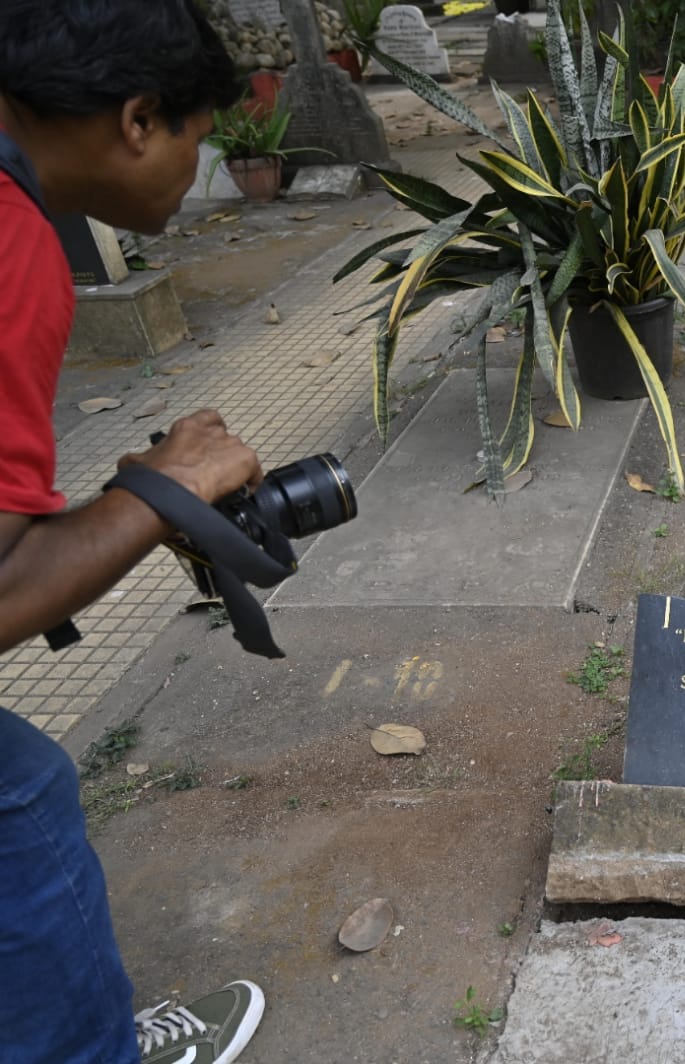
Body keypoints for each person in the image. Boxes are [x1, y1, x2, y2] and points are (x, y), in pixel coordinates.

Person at [1, 2, 270, 1061]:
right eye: (200, 144)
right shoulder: (13, 243)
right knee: (21, 801)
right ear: (139, 119)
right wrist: (163, 491)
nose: (194, 173)